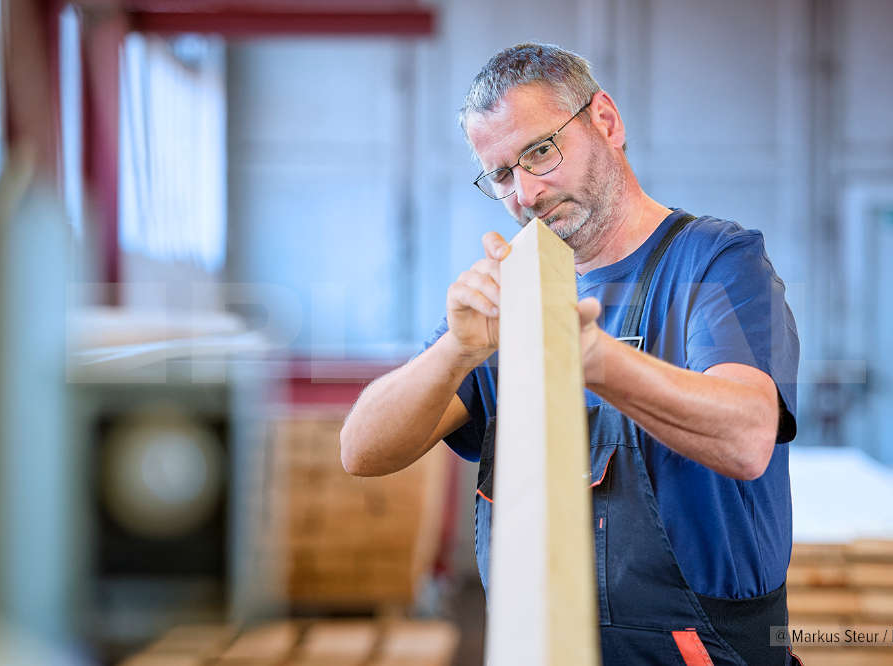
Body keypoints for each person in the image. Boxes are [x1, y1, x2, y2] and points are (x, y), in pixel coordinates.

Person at [340, 42, 800, 665]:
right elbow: (361, 451)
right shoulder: (516, 295)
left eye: (539, 152)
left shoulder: (716, 264)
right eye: (500, 174)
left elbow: (747, 438)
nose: (525, 194)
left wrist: (589, 358)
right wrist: (456, 349)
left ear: (605, 121)